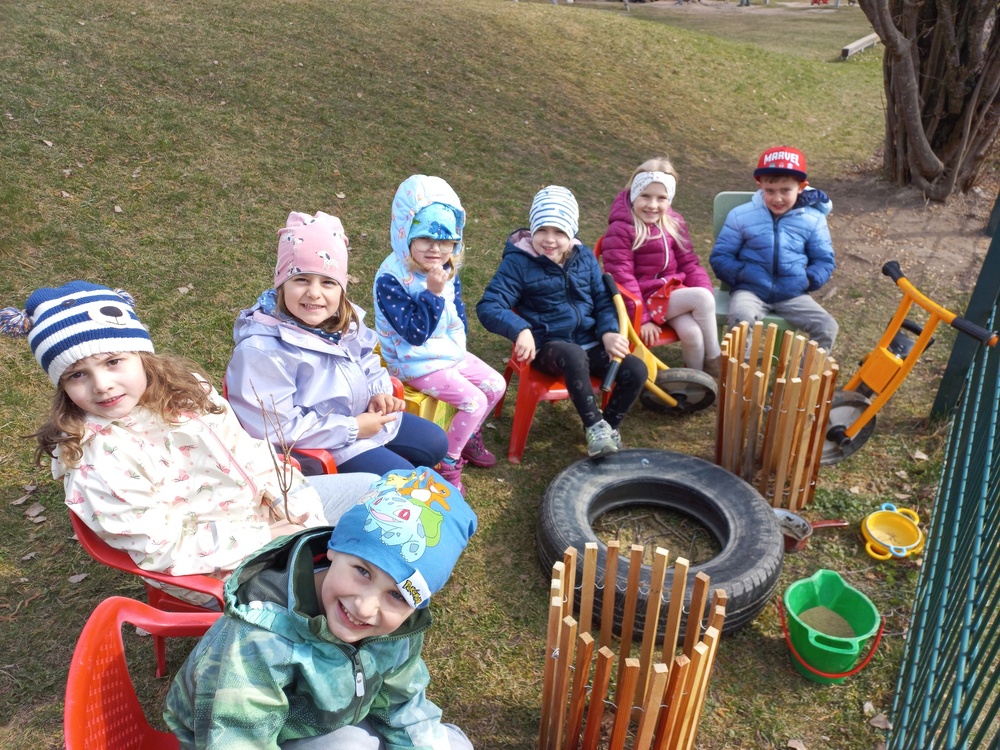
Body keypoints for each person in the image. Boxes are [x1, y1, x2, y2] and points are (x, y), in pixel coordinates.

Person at [0, 281, 378, 606]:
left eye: (113, 361)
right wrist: (264, 538)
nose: (102, 385)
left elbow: (249, 452)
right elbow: (159, 548)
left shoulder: (188, 393)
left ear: (141, 355)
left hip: (267, 514)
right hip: (214, 569)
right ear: (62, 385)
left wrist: (291, 503)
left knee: (375, 494)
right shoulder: (94, 457)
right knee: (345, 596)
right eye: (77, 375)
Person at [164, 466, 477, 750]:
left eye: (396, 595)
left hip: (326, 719)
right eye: (363, 571)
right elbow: (235, 738)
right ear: (334, 548)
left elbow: (402, 704)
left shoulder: (398, 629)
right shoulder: (259, 635)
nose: (365, 607)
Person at [225, 211, 449, 477]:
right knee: (406, 483)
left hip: (365, 416)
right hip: (324, 446)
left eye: (328, 282)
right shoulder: (261, 351)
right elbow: (275, 428)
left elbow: (366, 358)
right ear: (282, 284)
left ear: (340, 288)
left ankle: (389, 469)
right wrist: (353, 428)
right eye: (301, 279)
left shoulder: (342, 319)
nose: (314, 293)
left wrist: (378, 392)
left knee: (436, 442)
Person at [476, 185, 646, 458]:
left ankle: (608, 427)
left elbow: (603, 300)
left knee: (636, 369)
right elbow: (489, 306)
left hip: (591, 342)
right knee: (573, 354)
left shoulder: (584, 258)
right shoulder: (518, 263)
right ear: (532, 229)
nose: (549, 239)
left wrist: (608, 332)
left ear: (572, 233)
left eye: (559, 232)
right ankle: (594, 426)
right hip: (548, 348)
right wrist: (521, 330)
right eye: (542, 230)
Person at [374, 175, 506, 494]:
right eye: (425, 239)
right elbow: (414, 334)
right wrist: (432, 294)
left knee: (496, 385)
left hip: (445, 352)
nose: (436, 249)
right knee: (473, 400)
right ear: (406, 234)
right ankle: (448, 463)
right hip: (412, 360)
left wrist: (459, 344)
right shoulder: (391, 279)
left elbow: (456, 312)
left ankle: (466, 434)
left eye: (445, 241)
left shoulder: (445, 268)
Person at [710, 145, 838, 352]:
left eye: (785, 190)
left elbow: (824, 260)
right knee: (741, 318)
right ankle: (739, 371)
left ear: (801, 187)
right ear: (760, 185)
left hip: (792, 293)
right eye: (769, 191)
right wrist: (742, 275)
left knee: (827, 326)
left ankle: (803, 373)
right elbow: (721, 256)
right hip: (750, 290)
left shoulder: (813, 219)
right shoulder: (741, 215)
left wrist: (807, 280)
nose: (777, 198)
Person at [602, 158, 722, 378]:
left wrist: (701, 290)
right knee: (702, 298)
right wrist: (642, 319)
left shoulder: (673, 222)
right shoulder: (621, 229)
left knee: (693, 333)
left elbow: (689, 263)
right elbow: (621, 276)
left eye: (661, 198)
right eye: (645, 196)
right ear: (633, 194)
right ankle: (715, 361)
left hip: (669, 295)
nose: (652, 205)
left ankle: (695, 385)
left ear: (670, 199)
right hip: (642, 300)